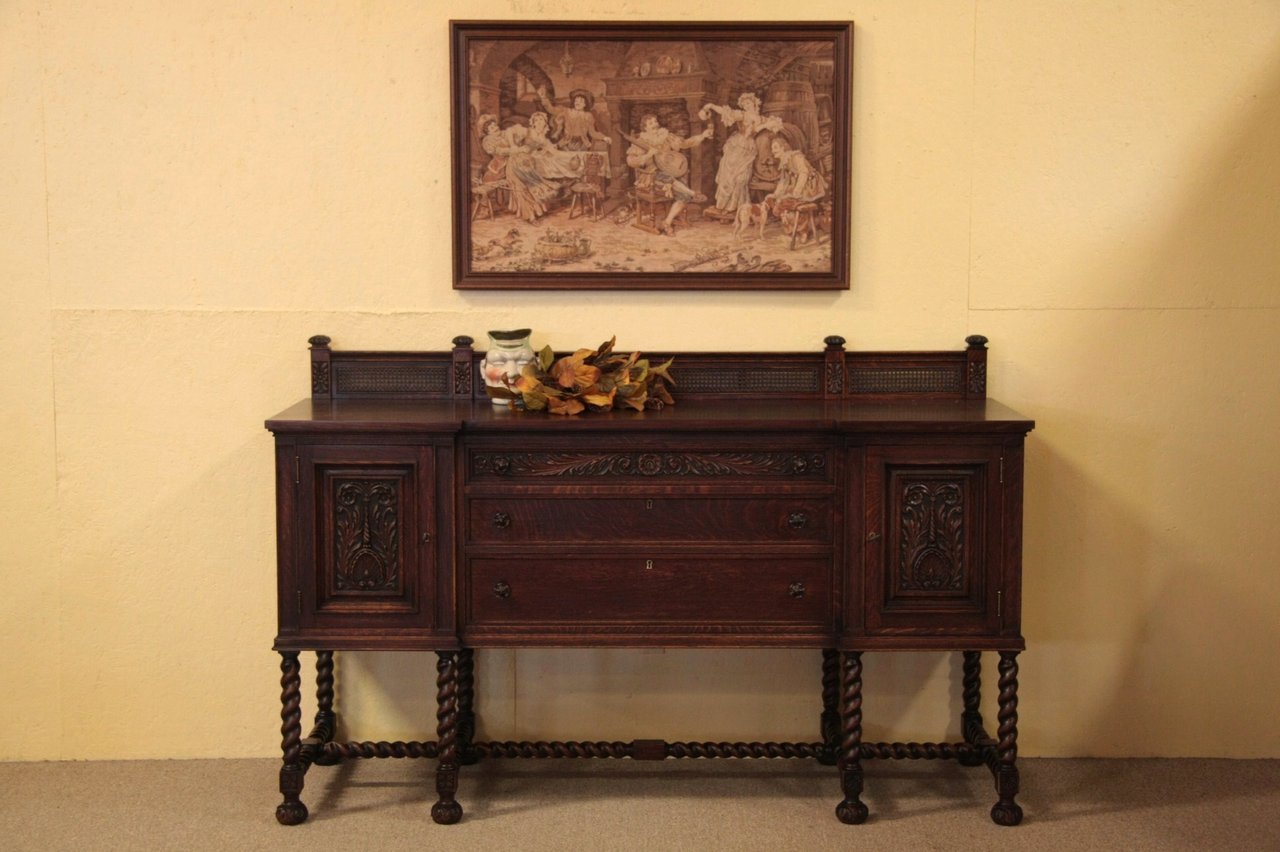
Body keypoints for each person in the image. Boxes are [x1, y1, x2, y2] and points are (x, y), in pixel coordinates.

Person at [625, 114, 712, 235]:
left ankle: (667, 222)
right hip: (650, 175)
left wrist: (702, 135)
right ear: (645, 127)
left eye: (655, 121)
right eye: (650, 123)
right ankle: (692, 193)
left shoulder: (666, 136)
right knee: (667, 178)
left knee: (683, 196)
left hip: (669, 171)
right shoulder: (641, 141)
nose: (655, 124)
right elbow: (631, 161)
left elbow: (685, 143)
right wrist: (648, 155)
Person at [698, 93, 783, 216]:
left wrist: (766, 126)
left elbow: (776, 126)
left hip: (748, 148)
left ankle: (735, 207)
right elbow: (726, 112)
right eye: (744, 104)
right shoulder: (742, 115)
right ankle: (722, 206)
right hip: (736, 146)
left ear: (755, 103)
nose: (746, 106)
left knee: (741, 178)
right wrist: (711, 106)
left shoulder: (762, 119)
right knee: (727, 177)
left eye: (748, 103)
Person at [475, 113, 558, 223]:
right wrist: (517, 149)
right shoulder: (488, 141)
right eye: (491, 128)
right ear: (487, 132)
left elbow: (522, 134)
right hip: (501, 168)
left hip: (517, 162)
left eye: (495, 125)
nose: (495, 128)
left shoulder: (506, 133)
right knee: (519, 186)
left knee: (530, 180)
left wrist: (535, 134)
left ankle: (537, 210)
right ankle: (530, 216)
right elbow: (500, 151)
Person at [762, 136, 828, 242]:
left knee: (790, 201)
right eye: (772, 148)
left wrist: (797, 191)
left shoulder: (796, 157)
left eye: (775, 147)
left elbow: (804, 173)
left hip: (809, 186)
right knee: (777, 200)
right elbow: (784, 181)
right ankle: (794, 229)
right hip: (798, 186)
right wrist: (775, 194)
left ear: (783, 147)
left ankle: (803, 231)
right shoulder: (784, 162)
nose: (773, 151)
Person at [537, 87, 613, 151]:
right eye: (576, 101)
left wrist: (604, 137)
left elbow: (592, 132)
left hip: (583, 144)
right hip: (566, 143)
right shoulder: (566, 111)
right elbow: (552, 110)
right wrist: (543, 98)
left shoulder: (588, 116)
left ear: (585, 104)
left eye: (581, 101)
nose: (577, 103)